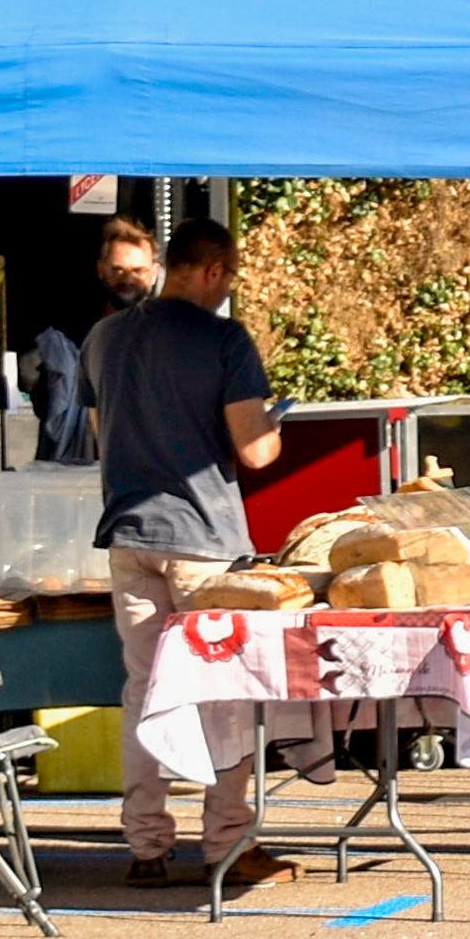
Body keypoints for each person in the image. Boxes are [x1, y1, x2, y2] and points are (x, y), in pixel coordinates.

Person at [92, 217, 288, 894]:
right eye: (228, 277)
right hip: (204, 539)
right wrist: (273, 420)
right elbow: (256, 449)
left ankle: (145, 842)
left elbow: (101, 431)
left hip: (128, 532)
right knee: (222, 693)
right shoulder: (226, 339)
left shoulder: (105, 336)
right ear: (211, 271)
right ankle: (227, 840)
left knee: (144, 689)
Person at [30, 210, 157, 465]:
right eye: (118, 270)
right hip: (75, 481)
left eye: (138, 271)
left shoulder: (168, 344)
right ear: (101, 271)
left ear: (154, 274)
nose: (128, 279)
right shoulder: (68, 342)